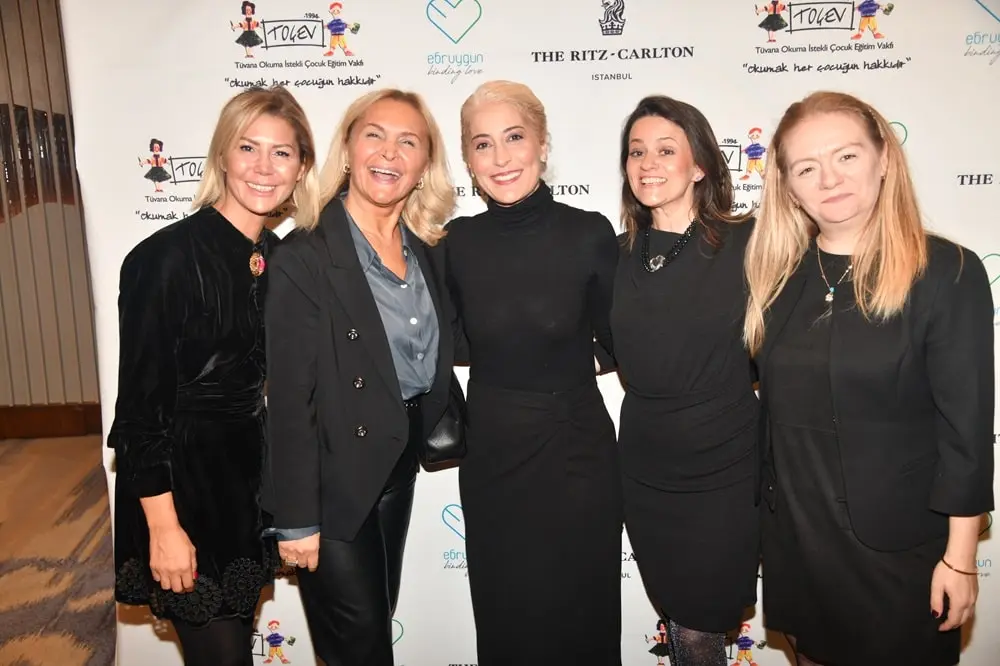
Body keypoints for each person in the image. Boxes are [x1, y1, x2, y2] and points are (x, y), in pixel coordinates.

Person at [744, 91, 994, 666]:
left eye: (847, 156)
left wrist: (960, 558)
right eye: (807, 167)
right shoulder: (775, 279)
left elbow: (966, 433)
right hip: (799, 544)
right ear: (788, 186)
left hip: (898, 553)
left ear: (884, 158)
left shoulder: (946, 273)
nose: (829, 178)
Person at [108, 85, 319, 666]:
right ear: (222, 155)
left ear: (301, 168)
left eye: (281, 152)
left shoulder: (282, 260)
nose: (263, 167)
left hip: (246, 489)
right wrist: (164, 529)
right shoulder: (164, 259)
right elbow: (139, 415)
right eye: (248, 147)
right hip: (181, 493)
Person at [263, 88, 457, 666]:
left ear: (424, 164)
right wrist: (296, 517)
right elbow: (289, 399)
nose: (389, 152)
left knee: (369, 629)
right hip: (332, 479)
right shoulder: (304, 256)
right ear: (348, 149)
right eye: (374, 135)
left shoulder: (425, 251)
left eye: (408, 142)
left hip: (397, 466)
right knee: (362, 646)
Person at [445, 80, 622, 665]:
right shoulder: (455, 243)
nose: (500, 158)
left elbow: (621, 337)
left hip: (578, 450)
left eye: (515, 137)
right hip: (493, 451)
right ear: (468, 158)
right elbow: (444, 338)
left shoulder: (589, 233)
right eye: (482, 144)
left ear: (543, 145)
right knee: (508, 618)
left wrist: (570, 364)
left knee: (584, 617)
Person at [609, 95, 759, 666]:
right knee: (677, 612)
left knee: (701, 622)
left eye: (666, 150)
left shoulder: (748, 243)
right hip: (646, 463)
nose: (648, 163)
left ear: (699, 165)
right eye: (636, 151)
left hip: (723, 462)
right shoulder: (616, 254)